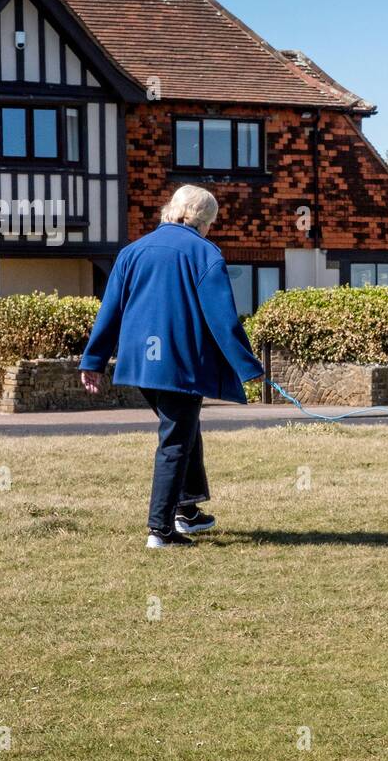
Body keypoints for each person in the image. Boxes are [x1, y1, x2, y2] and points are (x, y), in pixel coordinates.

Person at [79, 185, 265, 549]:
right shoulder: (205, 253)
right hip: (179, 363)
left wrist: (93, 360)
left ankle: (188, 511)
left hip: (140, 364)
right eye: (211, 221)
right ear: (202, 220)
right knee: (175, 441)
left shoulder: (132, 252)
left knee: (183, 427)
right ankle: (160, 530)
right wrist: (248, 366)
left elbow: (110, 311)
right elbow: (223, 319)